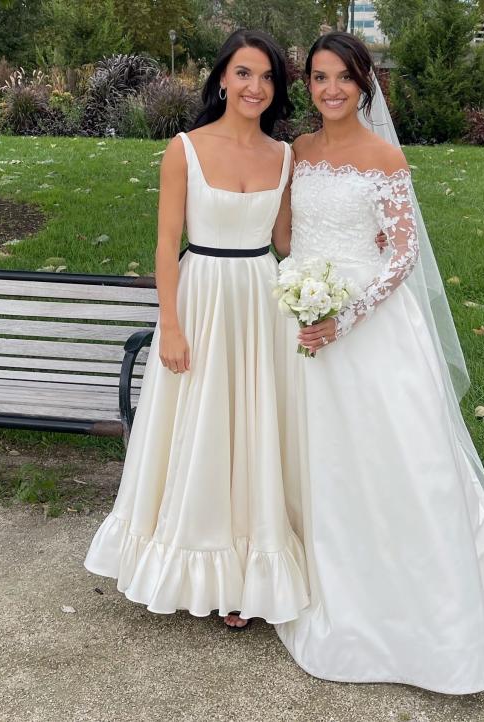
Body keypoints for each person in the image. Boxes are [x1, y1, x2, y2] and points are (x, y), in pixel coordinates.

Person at [275, 32, 484, 693]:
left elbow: (402, 255)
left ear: (364, 84)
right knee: (319, 457)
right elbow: (284, 234)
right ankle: (324, 576)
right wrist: (295, 286)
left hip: (370, 324)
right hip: (306, 318)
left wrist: (346, 313)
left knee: (396, 459)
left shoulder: (384, 158)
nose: (330, 89)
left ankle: (426, 609)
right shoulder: (297, 152)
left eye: (343, 78)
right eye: (319, 77)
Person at [84, 29, 308, 631]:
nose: (254, 87)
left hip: (261, 304)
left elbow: (287, 243)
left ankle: (247, 578)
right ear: (221, 79)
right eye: (243, 73)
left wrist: (349, 264)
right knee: (202, 431)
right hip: (201, 296)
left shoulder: (284, 157)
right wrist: (171, 326)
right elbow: (165, 245)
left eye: (266, 77)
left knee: (254, 430)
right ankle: (195, 565)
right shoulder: (182, 149)